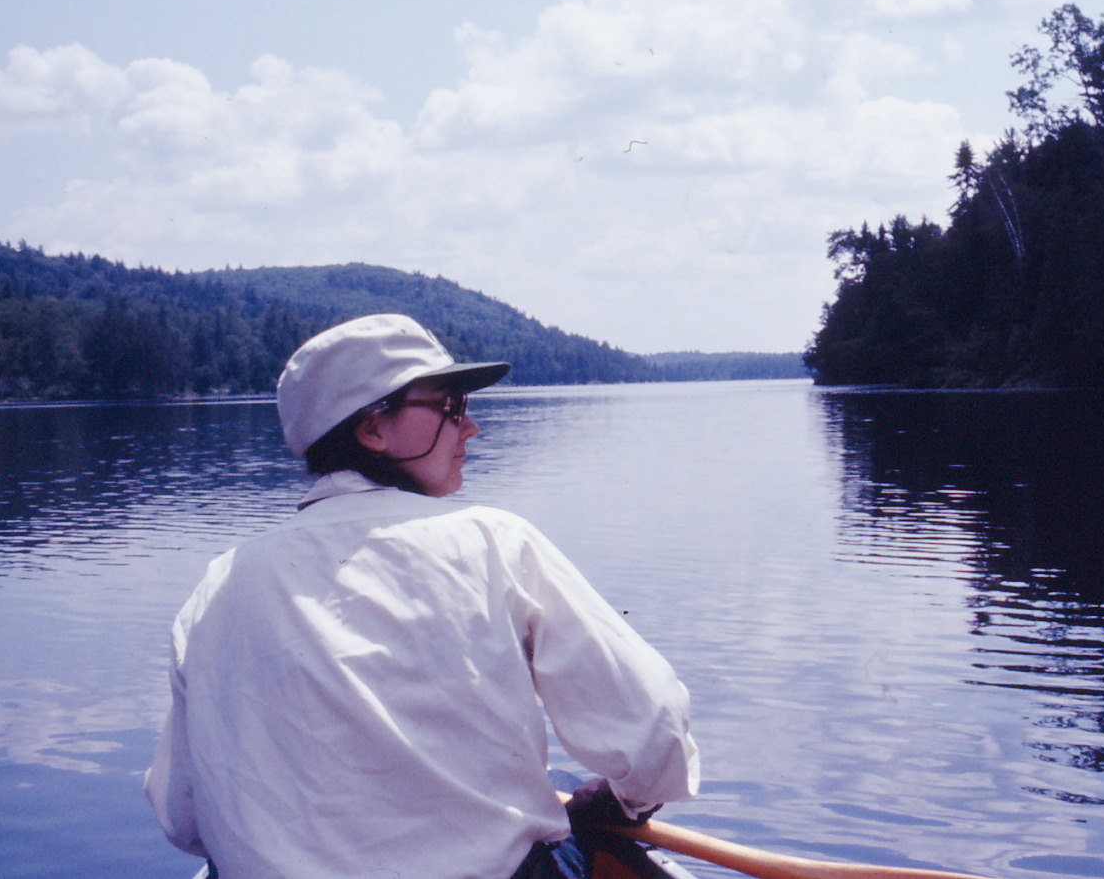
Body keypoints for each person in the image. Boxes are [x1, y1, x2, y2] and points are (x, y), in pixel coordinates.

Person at [145, 314, 699, 879]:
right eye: (450, 407)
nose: (471, 428)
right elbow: (653, 727)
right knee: (561, 799)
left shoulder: (219, 584)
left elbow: (182, 817)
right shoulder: (493, 542)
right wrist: (623, 803)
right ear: (373, 431)